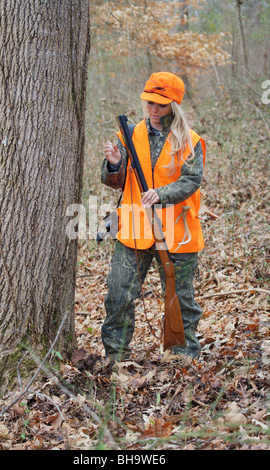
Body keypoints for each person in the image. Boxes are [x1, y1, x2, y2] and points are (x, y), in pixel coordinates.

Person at [100, 71, 206, 362]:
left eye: (160, 104)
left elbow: (191, 180)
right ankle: (116, 357)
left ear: (174, 105)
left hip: (177, 230)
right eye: (149, 103)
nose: (153, 109)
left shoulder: (190, 141)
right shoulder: (129, 134)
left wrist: (162, 193)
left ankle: (184, 356)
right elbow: (113, 180)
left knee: (181, 298)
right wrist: (115, 164)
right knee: (118, 294)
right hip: (133, 229)